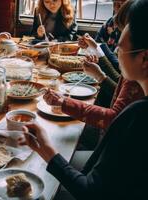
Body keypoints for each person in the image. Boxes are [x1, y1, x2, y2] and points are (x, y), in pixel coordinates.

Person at [21, 0, 148, 199]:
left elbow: (90, 191)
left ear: (144, 58)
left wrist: (46, 150)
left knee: (41, 181)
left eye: (120, 49)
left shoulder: (139, 116)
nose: (116, 51)